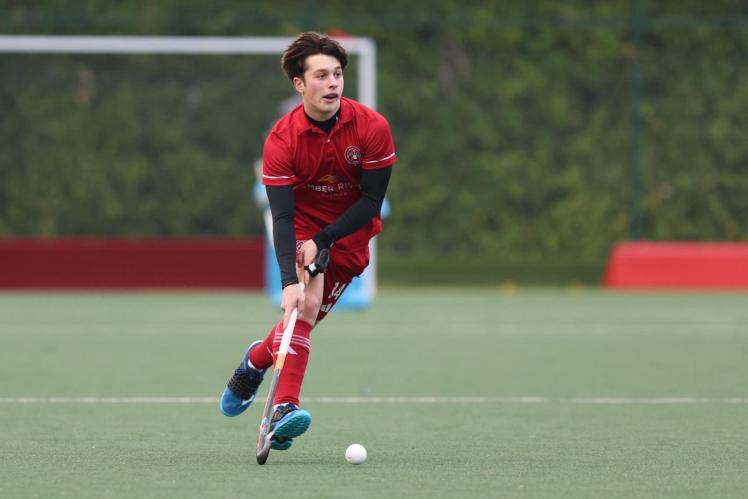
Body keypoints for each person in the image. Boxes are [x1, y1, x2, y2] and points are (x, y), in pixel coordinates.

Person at [219, 31, 396, 452]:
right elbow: (281, 217)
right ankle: (285, 409)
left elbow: (371, 202)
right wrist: (288, 281)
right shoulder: (282, 140)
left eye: (337, 74)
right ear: (299, 84)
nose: (332, 83)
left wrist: (325, 239)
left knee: (305, 321)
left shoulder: (373, 128)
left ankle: (255, 361)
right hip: (300, 223)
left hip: (348, 233)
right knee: (305, 304)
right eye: (321, 76)